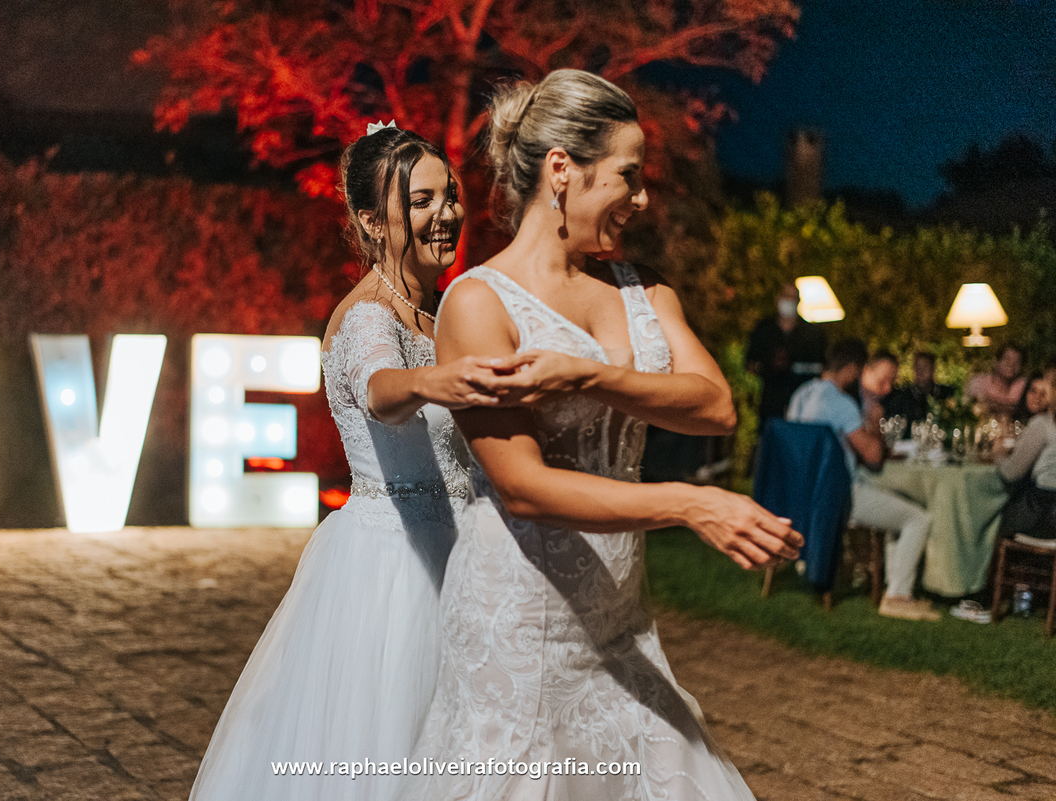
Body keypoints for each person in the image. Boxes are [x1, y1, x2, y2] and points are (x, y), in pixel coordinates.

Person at [406, 69, 802, 801]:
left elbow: (715, 407)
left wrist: (586, 375)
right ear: (563, 169)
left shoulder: (643, 289)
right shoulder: (476, 303)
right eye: (629, 175)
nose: (643, 197)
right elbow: (523, 487)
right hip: (518, 620)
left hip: (620, 618)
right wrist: (690, 503)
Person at [189, 125, 514, 800]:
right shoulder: (371, 315)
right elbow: (380, 389)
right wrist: (434, 383)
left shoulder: (434, 314)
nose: (448, 212)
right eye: (421, 200)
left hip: (458, 555)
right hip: (394, 563)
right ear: (371, 220)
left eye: (450, 195)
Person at [788, 339, 938, 621]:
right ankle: (897, 596)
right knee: (918, 518)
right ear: (852, 369)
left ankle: (892, 587)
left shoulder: (801, 395)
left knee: (898, 506)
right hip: (836, 497)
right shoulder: (841, 403)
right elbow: (873, 457)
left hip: (801, 493)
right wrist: (874, 422)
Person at [745, 281, 827, 431]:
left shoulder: (812, 334)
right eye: (785, 296)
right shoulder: (763, 329)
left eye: (793, 297)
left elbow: (821, 368)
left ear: (799, 301)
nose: (789, 301)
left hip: (803, 404)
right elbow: (750, 363)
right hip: (770, 403)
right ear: (778, 298)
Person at [995, 371, 1056, 540]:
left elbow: (1011, 473)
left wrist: (998, 454)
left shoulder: (1043, 424)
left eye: (1047, 385)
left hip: (1042, 515)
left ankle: (984, 566)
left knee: (986, 514)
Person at [882, 350, 954, 429]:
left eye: (925, 368)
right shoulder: (902, 397)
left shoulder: (946, 394)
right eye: (917, 368)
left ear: (933, 369)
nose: (920, 372)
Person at [967, 344, 1026, 416]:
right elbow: (976, 405)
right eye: (1007, 359)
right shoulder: (980, 381)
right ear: (996, 362)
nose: (1011, 364)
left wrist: (991, 401)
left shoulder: (1022, 385)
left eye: (1017, 361)